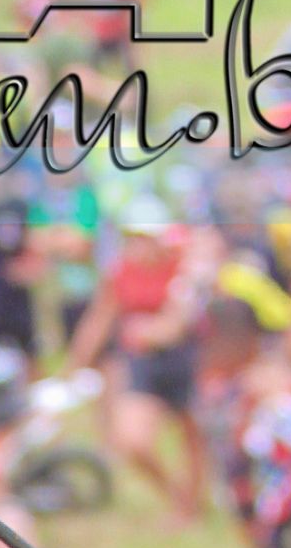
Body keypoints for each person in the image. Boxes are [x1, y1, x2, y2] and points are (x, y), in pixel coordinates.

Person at [67, 198, 210, 521]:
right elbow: (102, 315)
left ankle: (193, 503)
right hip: (144, 362)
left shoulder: (184, 267)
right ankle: (177, 496)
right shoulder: (121, 271)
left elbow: (180, 319)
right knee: (132, 439)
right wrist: (78, 360)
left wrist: (155, 331)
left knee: (194, 434)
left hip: (186, 359)